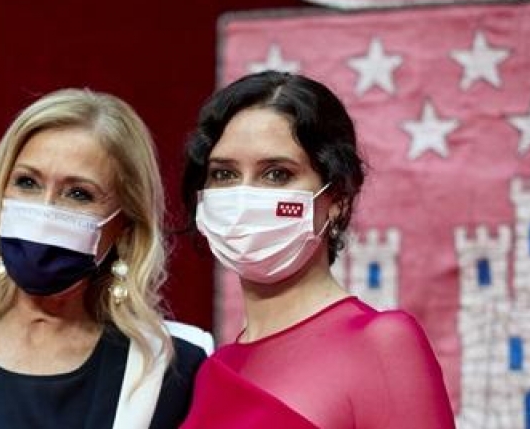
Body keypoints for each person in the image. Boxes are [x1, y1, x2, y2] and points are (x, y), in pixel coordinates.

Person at [0, 88, 213, 429]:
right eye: (27, 182)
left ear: (124, 224)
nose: (44, 210)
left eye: (78, 193)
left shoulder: (174, 366)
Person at [178, 71, 455, 428]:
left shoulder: (381, 344)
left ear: (337, 198)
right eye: (224, 174)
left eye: (276, 173)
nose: (244, 195)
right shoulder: (212, 368)